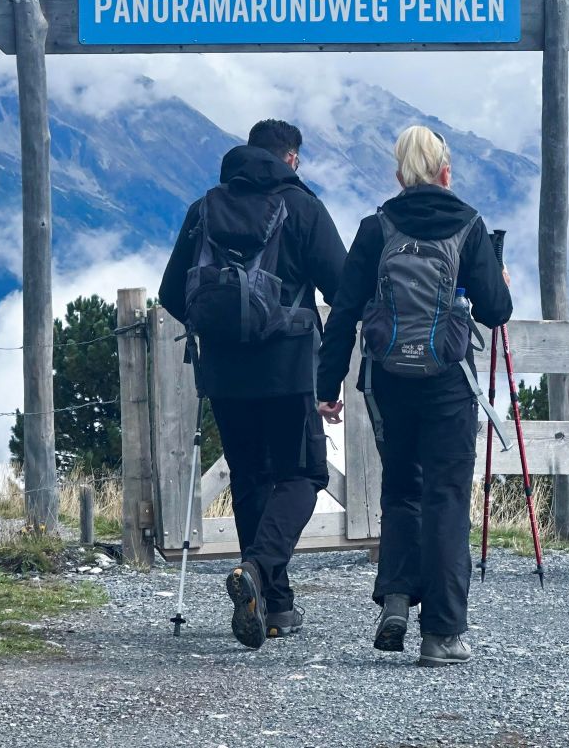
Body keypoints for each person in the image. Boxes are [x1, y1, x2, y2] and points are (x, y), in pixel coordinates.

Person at [315, 124, 512, 667]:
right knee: (445, 498)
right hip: (448, 383)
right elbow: (496, 312)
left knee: (400, 488)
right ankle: (443, 634)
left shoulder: (376, 227)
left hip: (387, 383)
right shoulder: (469, 224)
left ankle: (397, 599)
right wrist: (498, 277)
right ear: (445, 171)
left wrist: (326, 387)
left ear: (399, 174)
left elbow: (345, 311)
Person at [159, 119, 346, 649]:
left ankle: (276, 607)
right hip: (288, 368)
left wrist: (223, 327)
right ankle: (259, 570)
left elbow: (173, 290)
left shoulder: (205, 208)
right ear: (291, 159)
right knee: (304, 473)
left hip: (224, 371)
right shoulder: (303, 206)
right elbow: (341, 283)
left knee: (250, 479)